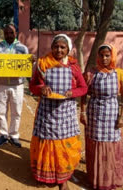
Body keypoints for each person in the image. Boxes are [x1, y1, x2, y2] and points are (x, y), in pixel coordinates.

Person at [29, 34, 87, 190]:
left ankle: (63, 180)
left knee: (63, 146)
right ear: (51, 47)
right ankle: (44, 175)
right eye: (56, 46)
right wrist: (42, 89)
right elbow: (32, 86)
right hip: (46, 112)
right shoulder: (43, 63)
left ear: (68, 49)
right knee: (46, 143)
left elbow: (83, 88)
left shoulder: (74, 67)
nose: (59, 50)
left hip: (65, 114)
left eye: (62, 47)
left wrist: (72, 93)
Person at [80, 44, 123, 190]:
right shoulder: (92, 73)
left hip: (112, 114)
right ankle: (94, 178)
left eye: (107, 55)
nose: (104, 58)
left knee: (111, 143)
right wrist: (82, 112)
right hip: (94, 114)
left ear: (112, 56)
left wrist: (121, 117)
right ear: (97, 56)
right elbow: (84, 94)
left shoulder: (119, 74)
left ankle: (110, 178)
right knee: (94, 143)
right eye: (101, 55)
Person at [0, 24, 29, 147]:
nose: (9, 35)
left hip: (17, 85)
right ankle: (3, 135)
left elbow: (27, 66)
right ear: (4, 34)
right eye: (6, 33)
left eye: (11, 33)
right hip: (1, 84)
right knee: (1, 112)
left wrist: (31, 62)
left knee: (16, 112)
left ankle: (14, 135)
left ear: (16, 33)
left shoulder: (23, 49)